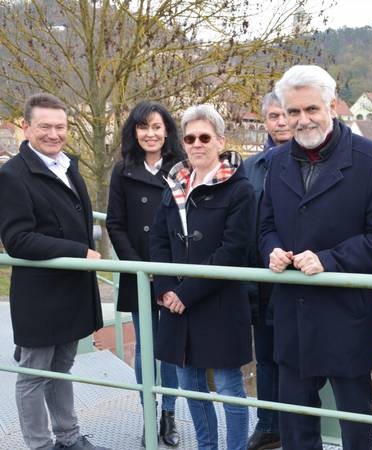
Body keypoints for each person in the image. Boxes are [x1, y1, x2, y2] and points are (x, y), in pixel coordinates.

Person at [260, 65, 372, 450]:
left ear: (333, 106)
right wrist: (272, 250)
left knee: (354, 421)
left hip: (346, 312)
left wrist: (329, 260)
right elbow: (266, 226)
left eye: (311, 109)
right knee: (295, 424)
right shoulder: (276, 162)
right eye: (293, 111)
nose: (302, 120)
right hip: (292, 311)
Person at [0, 93, 108, 450]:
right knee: (34, 375)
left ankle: (68, 438)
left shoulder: (67, 165)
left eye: (60, 126)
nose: (53, 134)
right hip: (41, 295)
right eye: (44, 126)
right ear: (26, 127)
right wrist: (79, 252)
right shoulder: (12, 175)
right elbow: (18, 239)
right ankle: (40, 445)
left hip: (72, 290)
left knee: (62, 368)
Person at [149, 104, 254, 450]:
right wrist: (166, 289)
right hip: (177, 305)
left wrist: (186, 293)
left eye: (205, 137)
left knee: (228, 388)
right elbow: (159, 239)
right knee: (190, 387)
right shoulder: (173, 185)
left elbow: (233, 251)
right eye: (190, 138)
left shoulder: (239, 189)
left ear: (220, 141)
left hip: (219, 303)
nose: (196, 144)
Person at [106, 101, 185, 447]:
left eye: (156, 127)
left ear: (166, 131)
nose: (150, 134)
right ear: (134, 132)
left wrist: (169, 267)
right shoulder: (122, 170)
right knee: (145, 348)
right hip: (138, 273)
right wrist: (138, 266)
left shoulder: (182, 168)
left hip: (173, 272)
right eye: (143, 127)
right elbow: (115, 223)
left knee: (171, 347)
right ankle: (148, 413)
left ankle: (169, 414)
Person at [245, 91, 292, 450]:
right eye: (273, 116)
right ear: (265, 121)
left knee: (296, 358)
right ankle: (268, 423)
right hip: (261, 279)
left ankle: (298, 427)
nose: (281, 122)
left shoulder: (312, 162)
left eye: (285, 114)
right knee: (265, 357)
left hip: (299, 277)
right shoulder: (250, 168)